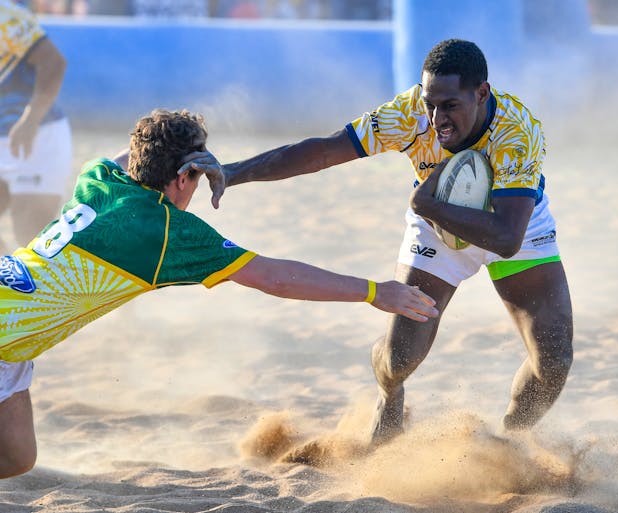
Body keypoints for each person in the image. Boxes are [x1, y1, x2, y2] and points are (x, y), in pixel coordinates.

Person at [0, 109, 438, 479]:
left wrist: (185, 160)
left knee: (18, 457)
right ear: (186, 174)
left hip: (14, 336)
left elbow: (128, 155)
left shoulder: (102, 176)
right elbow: (275, 277)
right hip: (6, 328)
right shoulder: (166, 231)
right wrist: (375, 292)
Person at [188, 39, 574, 444]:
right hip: (435, 225)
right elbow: (323, 151)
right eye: (430, 103)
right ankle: (389, 394)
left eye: (450, 106)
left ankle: (510, 443)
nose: (437, 118)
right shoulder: (407, 115)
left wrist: (425, 203)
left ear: (481, 93)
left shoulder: (517, 129)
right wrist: (232, 173)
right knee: (399, 358)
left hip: (511, 218)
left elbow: (508, 239)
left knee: (554, 359)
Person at [0, 0, 72, 254]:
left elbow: (53, 62)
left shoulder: (5, 15)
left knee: (34, 240)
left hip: (36, 136)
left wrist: (31, 120)